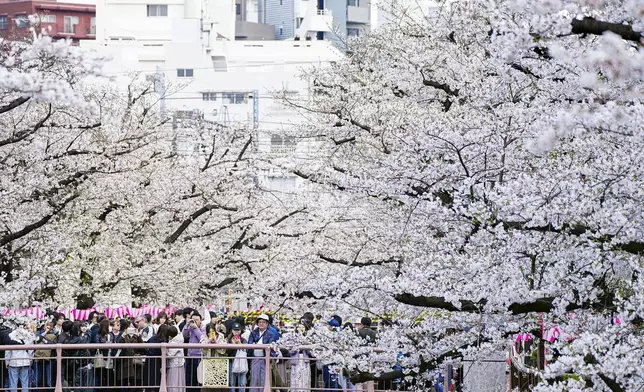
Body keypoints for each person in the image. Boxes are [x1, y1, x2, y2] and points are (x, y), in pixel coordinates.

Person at [247, 314, 278, 390]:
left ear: (267, 324)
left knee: (264, 378)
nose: (261, 324)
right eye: (260, 322)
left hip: (265, 358)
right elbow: (249, 344)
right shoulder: (253, 333)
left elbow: (271, 344)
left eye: (263, 322)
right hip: (255, 357)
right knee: (254, 378)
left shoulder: (270, 334)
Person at [182, 312, 204, 392]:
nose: (195, 322)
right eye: (193, 320)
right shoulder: (190, 328)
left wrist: (196, 328)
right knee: (189, 379)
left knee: (198, 379)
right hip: (190, 356)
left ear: (201, 320)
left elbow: (202, 338)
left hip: (199, 357)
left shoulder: (203, 328)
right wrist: (187, 325)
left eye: (197, 320)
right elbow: (184, 335)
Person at [289, 323, 312, 392]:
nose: (301, 329)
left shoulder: (308, 338)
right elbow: (290, 351)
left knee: (305, 377)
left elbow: (310, 352)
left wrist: (306, 344)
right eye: (299, 327)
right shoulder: (292, 338)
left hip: (305, 360)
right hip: (296, 360)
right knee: (295, 377)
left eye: (303, 327)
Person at [227, 323, 247, 392]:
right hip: (231, 362)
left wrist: (239, 344)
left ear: (240, 331)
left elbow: (246, 350)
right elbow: (226, 352)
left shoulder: (243, 340)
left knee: (242, 383)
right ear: (232, 331)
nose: (236, 332)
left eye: (238, 330)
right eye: (235, 330)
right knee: (232, 383)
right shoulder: (229, 339)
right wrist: (232, 345)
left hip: (241, 362)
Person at [166, 326, 186, 392]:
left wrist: (165, 351)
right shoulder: (180, 339)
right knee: (179, 382)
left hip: (174, 365)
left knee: (173, 382)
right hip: (180, 364)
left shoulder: (173, 342)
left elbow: (170, 355)